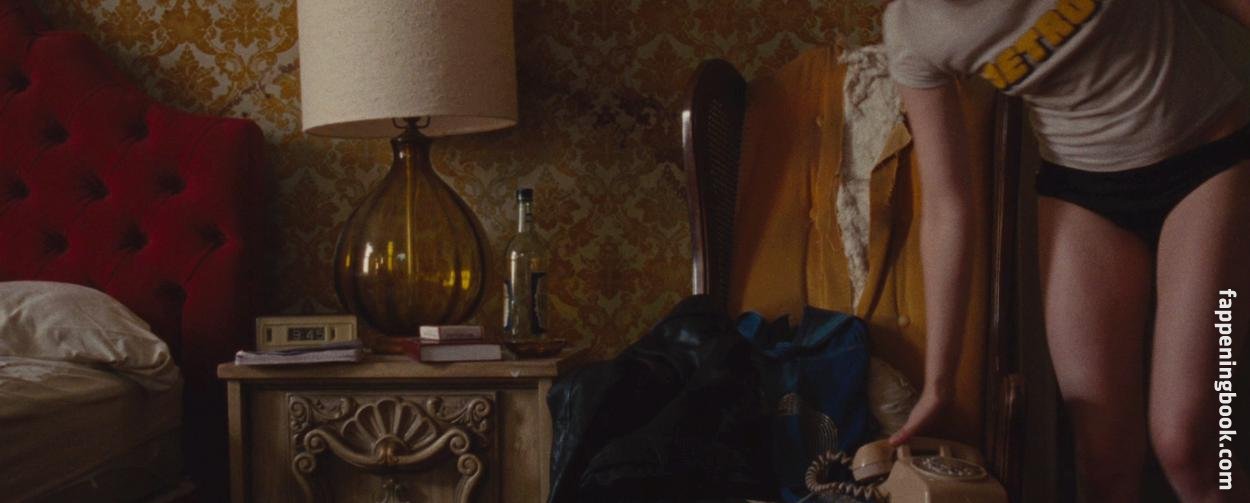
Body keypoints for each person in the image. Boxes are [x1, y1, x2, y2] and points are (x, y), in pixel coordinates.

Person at [881, 0, 1250, 500]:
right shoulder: (913, 28)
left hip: (1208, 162)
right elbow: (948, 209)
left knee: (1192, 445)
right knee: (1102, 464)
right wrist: (939, 384)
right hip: (1084, 194)